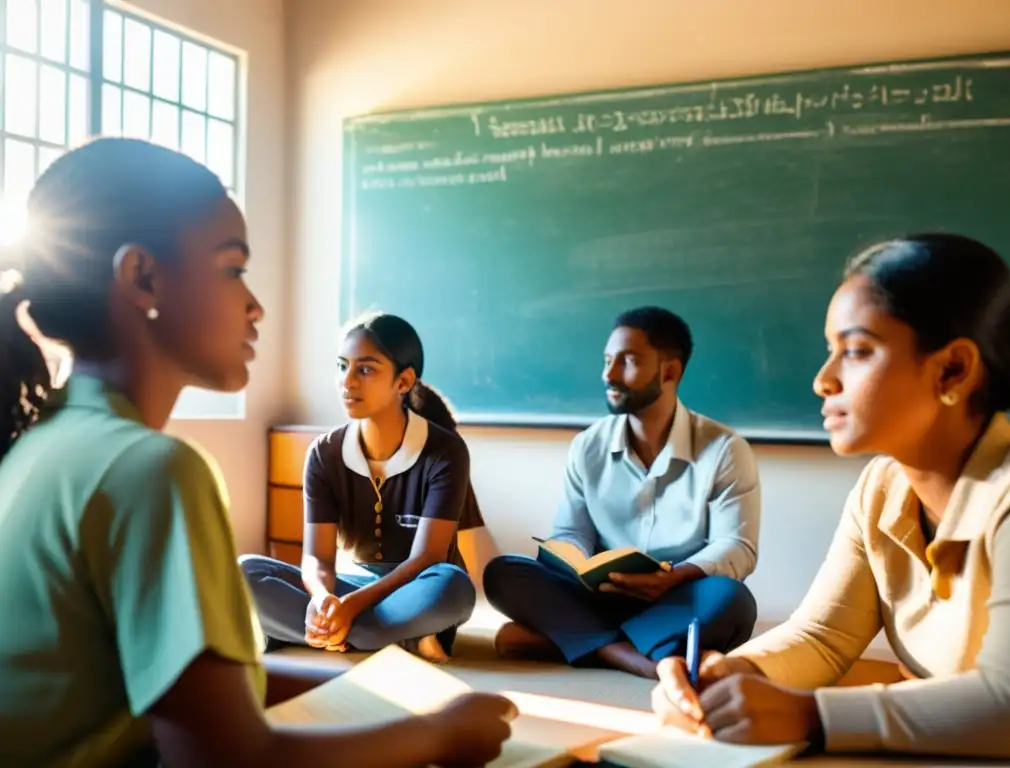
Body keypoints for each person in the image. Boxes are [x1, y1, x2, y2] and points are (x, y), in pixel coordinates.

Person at [0, 138, 515, 767]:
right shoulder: (154, 470)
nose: (256, 305)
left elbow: (196, 700)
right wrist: (437, 735)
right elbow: (226, 755)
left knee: (446, 586)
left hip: (382, 594)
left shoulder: (43, 440)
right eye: (232, 269)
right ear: (143, 277)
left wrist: (384, 697)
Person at [652, 234, 1010, 760]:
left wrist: (810, 713)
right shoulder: (882, 487)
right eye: (831, 352)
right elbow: (823, 636)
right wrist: (735, 673)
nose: (823, 381)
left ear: (952, 370)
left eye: (856, 352)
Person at [483, 306, 761, 679]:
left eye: (628, 361)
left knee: (731, 600)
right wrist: (579, 563)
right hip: (600, 598)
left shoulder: (724, 449)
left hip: (675, 597)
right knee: (503, 573)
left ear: (670, 372)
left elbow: (736, 546)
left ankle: (574, 642)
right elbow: (571, 532)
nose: (609, 374)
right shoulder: (587, 446)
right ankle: (636, 654)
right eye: (608, 360)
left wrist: (674, 577)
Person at [241, 312, 479, 663]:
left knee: (453, 586)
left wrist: (350, 608)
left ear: (404, 381)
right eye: (342, 366)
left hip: (413, 588)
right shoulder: (324, 453)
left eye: (365, 369)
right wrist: (323, 597)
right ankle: (391, 639)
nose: (347, 382)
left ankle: (316, 633)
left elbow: (427, 558)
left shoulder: (445, 452)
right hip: (348, 584)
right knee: (243, 572)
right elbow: (317, 558)